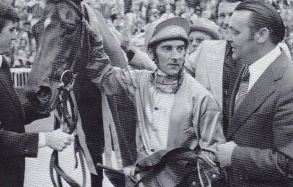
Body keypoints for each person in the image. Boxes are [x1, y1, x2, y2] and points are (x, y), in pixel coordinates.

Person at [87, 17, 225, 186]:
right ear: (152, 54)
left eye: (180, 49)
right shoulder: (139, 81)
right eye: (167, 49)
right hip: (142, 181)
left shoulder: (202, 97)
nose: (175, 56)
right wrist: (96, 42)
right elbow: (103, 77)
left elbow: (213, 155)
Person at [214, 0, 293, 187]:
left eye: (236, 32)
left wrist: (234, 156)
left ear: (261, 35)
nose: (228, 38)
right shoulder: (246, 67)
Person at [0, 1, 74, 187]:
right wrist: (45, 138)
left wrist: (50, 99)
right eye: (11, 30)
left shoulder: (3, 65)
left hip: (12, 174)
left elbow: (12, 113)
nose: (15, 36)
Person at [184, 0, 249, 134]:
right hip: (211, 142)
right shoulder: (206, 49)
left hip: (248, 146)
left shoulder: (261, 52)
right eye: (222, 15)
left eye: (232, 15)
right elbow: (174, 73)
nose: (226, 22)